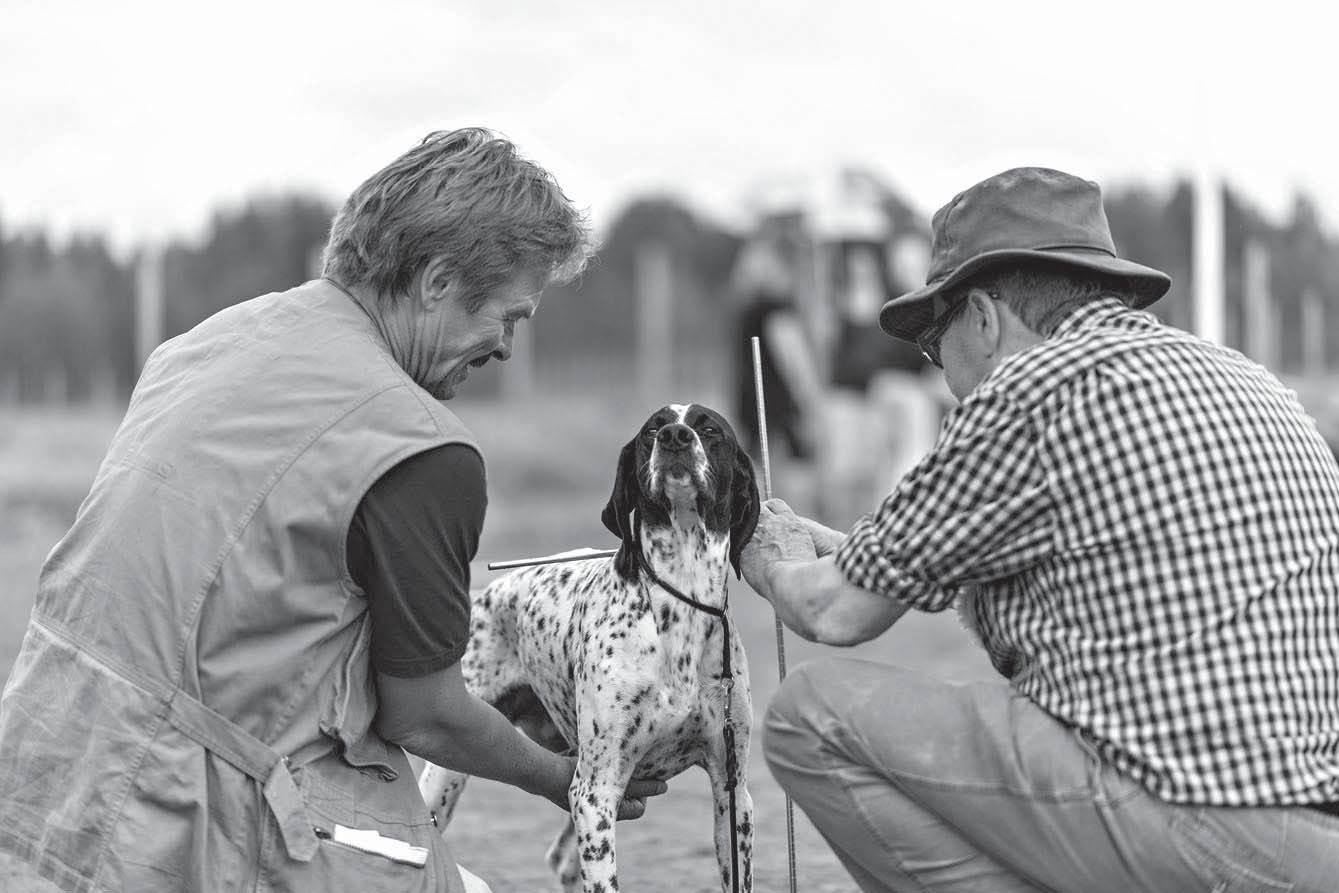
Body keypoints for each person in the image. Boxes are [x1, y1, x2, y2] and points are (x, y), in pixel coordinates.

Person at [0, 127, 664, 893]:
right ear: (438, 280)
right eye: (509, 317)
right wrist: (559, 775)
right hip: (188, 818)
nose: (507, 348)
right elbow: (427, 715)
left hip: (43, 779)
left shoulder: (199, 346)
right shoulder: (419, 448)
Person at [740, 166, 1339, 891]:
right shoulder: (1251, 380)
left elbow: (832, 610)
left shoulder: (1030, 388)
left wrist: (762, 552)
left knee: (810, 714)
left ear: (984, 317)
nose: (943, 374)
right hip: (1312, 840)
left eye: (935, 344)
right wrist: (846, 550)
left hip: (1186, 830)